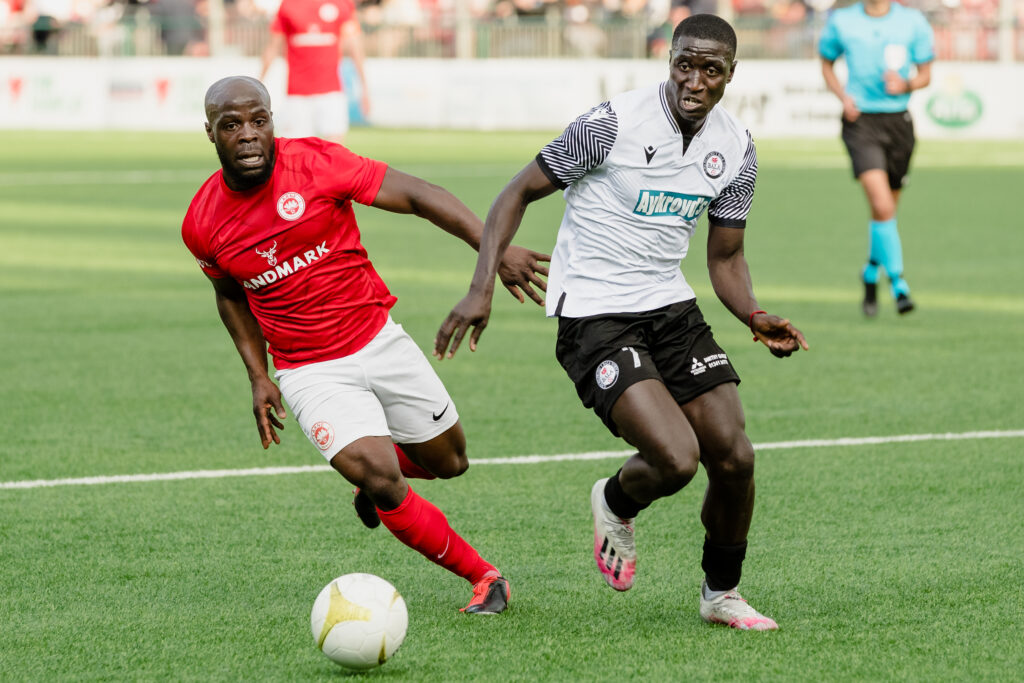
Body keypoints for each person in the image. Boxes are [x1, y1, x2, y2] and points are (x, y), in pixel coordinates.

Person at [435, 14, 808, 631]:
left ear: (730, 76)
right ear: (669, 58)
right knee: (675, 459)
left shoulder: (736, 148)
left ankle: (722, 595)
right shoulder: (610, 125)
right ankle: (614, 501)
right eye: (684, 63)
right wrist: (482, 287)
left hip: (670, 306)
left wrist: (752, 312)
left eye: (710, 69)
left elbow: (725, 256)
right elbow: (516, 192)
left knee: (735, 457)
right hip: (594, 312)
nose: (693, 80)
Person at [182, 76, 550, 614]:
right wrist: (258, 375)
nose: (248, 135)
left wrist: (492, 252)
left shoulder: (317, 164)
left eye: (258, 120)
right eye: (231, 125)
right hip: (309, 370)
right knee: (381, 474)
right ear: (209, 132)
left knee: (450, 461)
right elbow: (229, 294)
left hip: (378, 339)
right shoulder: (202, 223)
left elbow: (421, 196)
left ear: (272, 121)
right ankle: (484, 577)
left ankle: (373, 485)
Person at [819, 0, 934, 316]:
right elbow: (826, 63)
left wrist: (907, 83)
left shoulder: (913, 22)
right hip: (861, 124)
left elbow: (926, 74)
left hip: (899, 124)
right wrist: (843, 97)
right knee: (883, 206)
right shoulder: (842, 21)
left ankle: (870, 272)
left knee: (885, 213)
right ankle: (899, 286)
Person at [259, 0, 370, 143]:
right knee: (296, 156)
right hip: (297, 96)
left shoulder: (342, 4)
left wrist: (365, 89)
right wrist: (258, 85)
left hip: (331, 93)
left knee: (335, 154)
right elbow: (272, 48)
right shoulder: (288, 5)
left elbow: (355, 46)